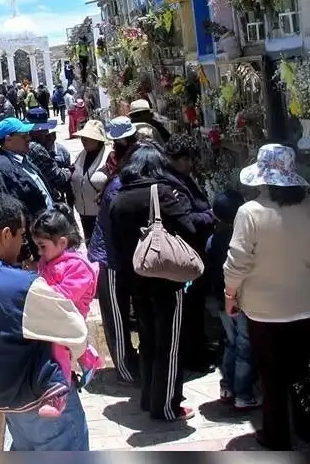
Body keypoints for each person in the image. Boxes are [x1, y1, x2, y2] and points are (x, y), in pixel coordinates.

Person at [0, 194, 90, 451]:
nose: (23, 244)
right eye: (21, 235)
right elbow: (77, 334)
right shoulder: (23, 287)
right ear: (6, 235)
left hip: (0, 395)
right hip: (38, 402)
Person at [225, 144, 310, 450]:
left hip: (263, 310)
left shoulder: (249, 212)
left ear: (263, 177)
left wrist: (229, 294)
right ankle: (309, 429)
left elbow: (237, 261)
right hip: (308, 302)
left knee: (271, 376)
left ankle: (276, 436)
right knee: (306, 370)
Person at [108, 147, 199, 421]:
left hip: (136, 281)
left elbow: (116, 243)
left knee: (147, 340)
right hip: (166, 281)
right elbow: (190, 229)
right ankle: (167, 405)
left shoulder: (118, 198)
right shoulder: (160, 194)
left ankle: (149, 397)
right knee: (170, 344)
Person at [87, 119, 148, 385]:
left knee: (125, 313)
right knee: (116, 315)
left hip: (121, 257)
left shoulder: (125, 182)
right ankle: (124, 368)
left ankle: (133, 361)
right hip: (110, 258)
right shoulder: (118, 187)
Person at [30, 206, 103, 418]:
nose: (39, 252)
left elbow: (64, 296)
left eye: (42, 246)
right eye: (38, 247)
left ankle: (58, 395)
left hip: (68, 318)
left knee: (58, 350)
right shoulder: (49, 259)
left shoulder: (78, 266)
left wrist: (39, 293)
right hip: (52, 315)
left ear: (62, 243)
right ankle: (88, 358)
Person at [163, 134, 217, 373]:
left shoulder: (181, 178)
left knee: (194, 308)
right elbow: (188, 220)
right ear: (177, 159)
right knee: (190, 308)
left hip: (193, 254)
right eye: (186, 159)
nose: (190, 164)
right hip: (187, 256)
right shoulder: (173, 184)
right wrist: (211, 215)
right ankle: (194, 356)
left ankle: (197, 350)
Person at [204, 189, 258, 411]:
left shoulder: (212, 240)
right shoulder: (241, 241)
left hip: (220, 300)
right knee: (244, 347)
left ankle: (226, 387)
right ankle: (243, 395)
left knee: (230, 342)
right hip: (238, 299)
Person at [0, 117, 54, 264]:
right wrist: (24, 251)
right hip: (32, 245)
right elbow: (9, 213)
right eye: (23, 135)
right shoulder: (1, 168)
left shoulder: (23, 159)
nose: (28, 138)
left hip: (44, 233)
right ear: (8, 139)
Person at [69, 120, 111, 245]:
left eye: (88, 138)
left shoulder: (109, 156)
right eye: (83, 137)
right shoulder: (81, 155)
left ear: (97, 140)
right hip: (83, 212)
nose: (83, 140)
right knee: (90, 244)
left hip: (102, 213)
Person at [24, 108, 71, 206]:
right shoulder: (36, 149)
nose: (45, 132)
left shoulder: (59, 149)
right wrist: (69, 171)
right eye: (41, 130)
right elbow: (57, 177)